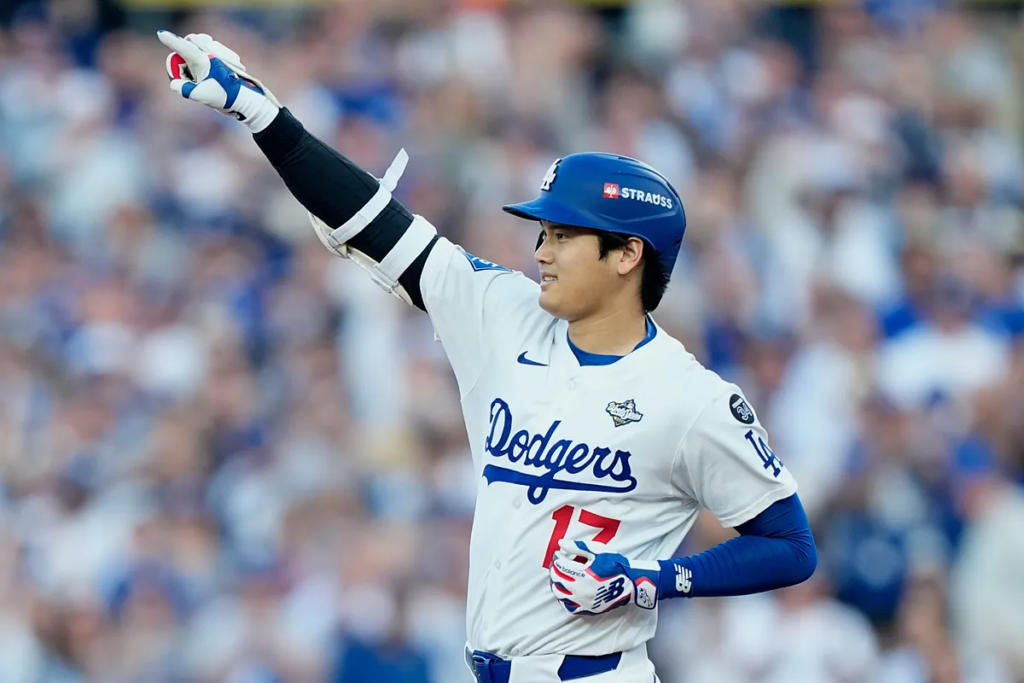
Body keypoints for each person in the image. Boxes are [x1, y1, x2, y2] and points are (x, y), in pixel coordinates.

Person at [156, 31, 817, 682]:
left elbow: (789, 545)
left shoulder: (691, 397)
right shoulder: (503, 313)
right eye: (542, 232)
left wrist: (656, 579)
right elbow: (377, 222)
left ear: (626, 254)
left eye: (564, 235)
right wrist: (263, 115)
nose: (542, 251)